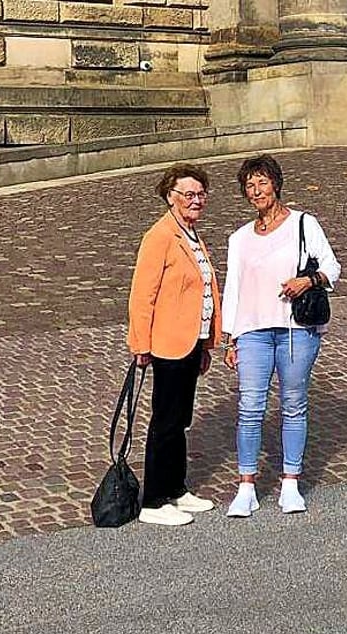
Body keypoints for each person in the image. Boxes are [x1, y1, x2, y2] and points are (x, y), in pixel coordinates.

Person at [220, 154, 341, 517]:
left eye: (262, 182)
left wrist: (308, 280)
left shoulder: (304, 223)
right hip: (253, 331)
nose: (256, 190)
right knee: (250, 407)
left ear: (276, 184)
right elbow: (233, 288)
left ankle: (291, 482)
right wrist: (230, 338)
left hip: (296, 331)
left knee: (293, 404)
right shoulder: (239, 238)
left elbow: (332, 266)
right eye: (250, 185)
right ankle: (246, 486)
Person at [128, 163, 221, 526]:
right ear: (170, 197)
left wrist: (207, 342)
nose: (196, 200)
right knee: (165, 420)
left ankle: (176, 489)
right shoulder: (160, 236)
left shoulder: (191, 234)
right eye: (188, 194)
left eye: (201, 194)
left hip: (191, 341)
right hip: (168, 343)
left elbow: (203, 290)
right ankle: (153, 499)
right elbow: (143, 295)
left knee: (181, 419)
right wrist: (140, 343)